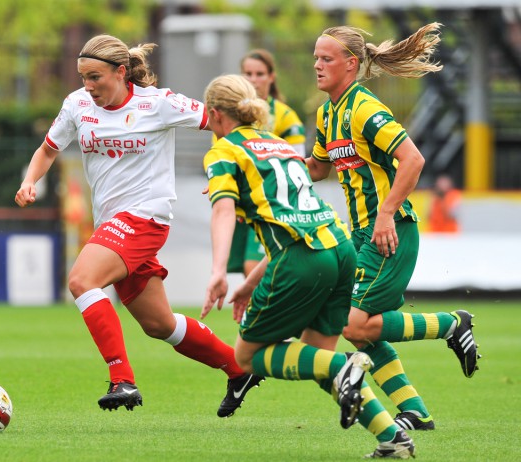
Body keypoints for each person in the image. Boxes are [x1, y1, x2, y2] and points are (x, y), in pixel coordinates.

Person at [15, 34, 262, 417]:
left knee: (82, 280)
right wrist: (31, 180)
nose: (88, 86)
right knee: (159, 324)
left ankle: (122, 379)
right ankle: (238, 368)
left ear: (121, 72)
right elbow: (49, 148)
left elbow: (221, 123)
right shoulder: (77, 105)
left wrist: (228, 173)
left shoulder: (158, 103)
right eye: (83, 78)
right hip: (111, 224)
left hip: (146, 217)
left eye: (95, 76)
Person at [201, 74, 416, 459]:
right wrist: (251, 283)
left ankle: (345, 366)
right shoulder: (280, 146)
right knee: (316, 356)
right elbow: (297, 217)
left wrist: (219, 270)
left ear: (215, 116)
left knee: (247, 357)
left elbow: (222, 212)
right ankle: (392, 437)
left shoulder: (223, 152)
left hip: (302, 258)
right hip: (339, 247)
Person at [305, 23, 480, 432]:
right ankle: (415, 411)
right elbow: (316, 167)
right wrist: (265, 169)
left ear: (351, 64)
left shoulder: (364, 107)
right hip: (361, 235)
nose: (317, 65)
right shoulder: (327, 113)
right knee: (357, 330)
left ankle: (452, 324)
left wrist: (386, 212)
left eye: (325, 58)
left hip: (390, 232)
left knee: (351, 323)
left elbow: (413, 160)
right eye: (315, 57)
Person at [228, 49, 307, 277]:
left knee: (255, 269)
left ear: (271, 77)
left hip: (272, 204)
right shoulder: (229, 115)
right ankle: (253, 314)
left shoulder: (285, 117)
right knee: (247, 274)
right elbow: (222, 157)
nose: (253, 80)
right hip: (241, 205)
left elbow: (298, 166)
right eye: (248, 73)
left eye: (260, 73)